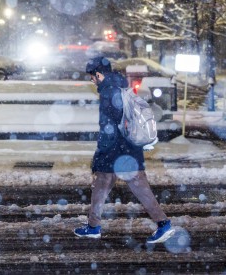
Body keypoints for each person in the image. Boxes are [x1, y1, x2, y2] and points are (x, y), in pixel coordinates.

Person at [73, 56, 175, 244]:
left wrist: (99, 154)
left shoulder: (108, 93)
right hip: (128, 149)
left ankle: (163, 223)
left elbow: (108, 130)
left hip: (117, 152)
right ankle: (93, 226)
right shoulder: (120, 87)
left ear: (98, 74)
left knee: (133, 188)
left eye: (92, 77)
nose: (91, 80)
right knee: (103, 186)